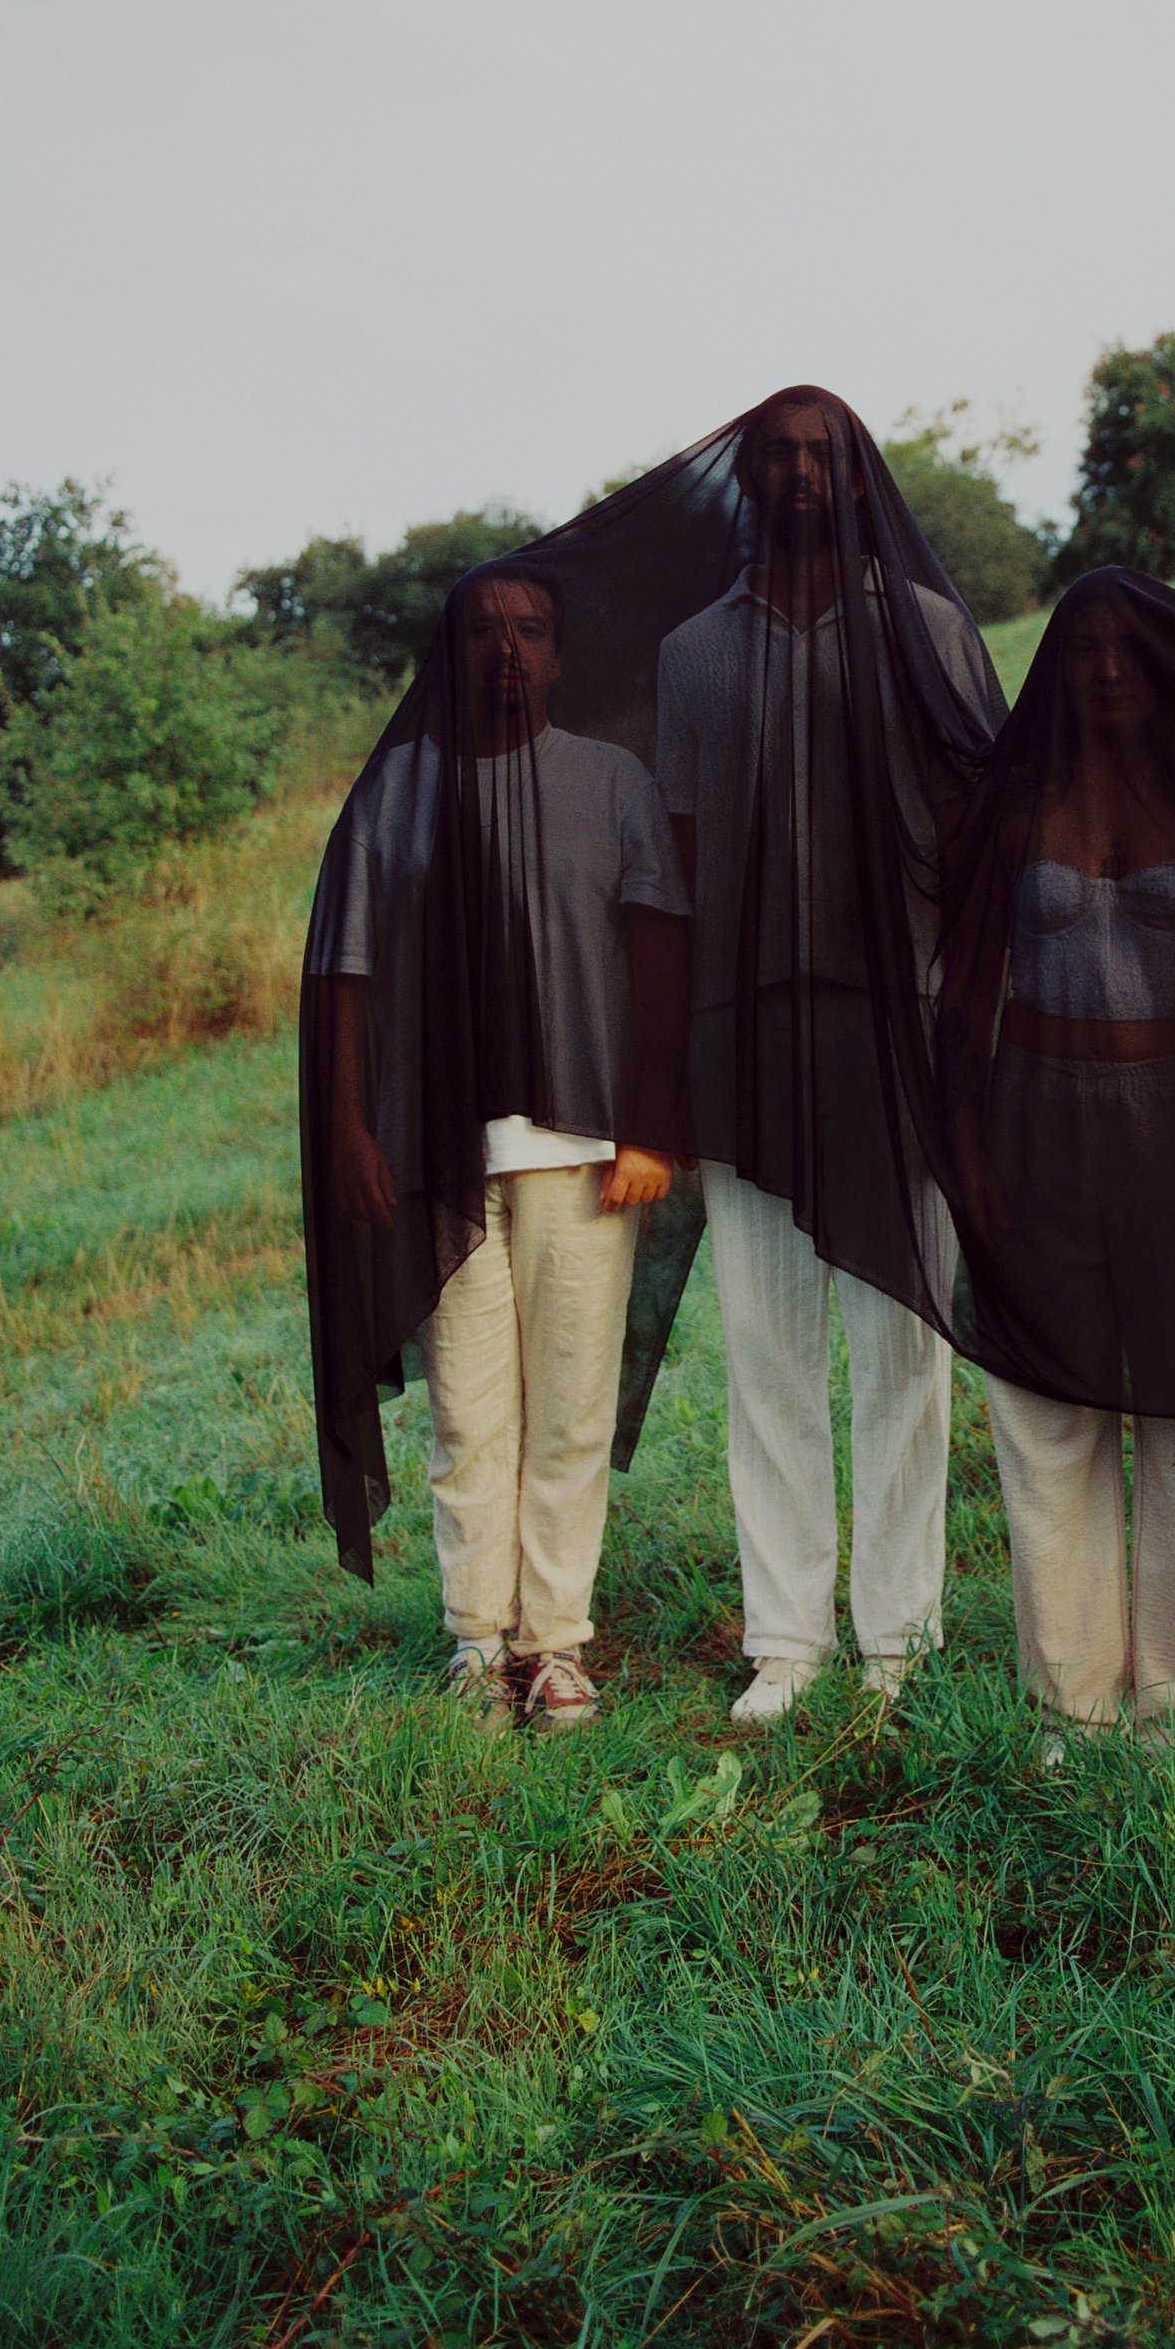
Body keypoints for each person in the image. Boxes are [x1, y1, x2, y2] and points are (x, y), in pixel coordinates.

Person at [654, 389, 1001, 1722]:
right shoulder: (693, 653)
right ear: (747, 477)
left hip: (895, 1032)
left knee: (904, 1344)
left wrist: (974, 1043)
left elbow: (981, 846)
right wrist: (674, 1064)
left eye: (825, 453)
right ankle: (787, 1640)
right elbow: (679, 864)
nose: (800, 472)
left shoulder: (929, 633)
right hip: (746, 1035)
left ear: (857, 477)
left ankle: (899, 1639)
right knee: (766, 1343)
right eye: (778, 454)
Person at [311, 568, 690, 1732]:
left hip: (583, 1147)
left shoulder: (609, 780)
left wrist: (652, 1125)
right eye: (483, 632)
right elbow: (347, 977)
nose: (508, 650)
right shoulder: (396, 795)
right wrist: (347, 1129)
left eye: (530, 629)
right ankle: (478, 1641)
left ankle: (556, 1643)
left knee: (572, 1406)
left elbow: (658, 955)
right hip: (437, 1149)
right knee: (471, 1411)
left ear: (560, 655)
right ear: (451, 653)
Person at [940, 579, 1175, 1739]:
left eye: (1128, 650)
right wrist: (964, 1141)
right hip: (1033, 1110)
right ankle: (1068, 1706)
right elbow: (967, 987)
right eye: (1081, 650)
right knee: (1047, 1411)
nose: (1105, 670)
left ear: (1165, 664)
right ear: (1057, 667)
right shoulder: (1016, 804)